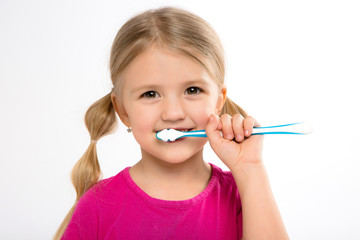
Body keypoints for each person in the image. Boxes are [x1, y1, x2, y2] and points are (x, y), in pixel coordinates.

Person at [54, 7, 289, 240]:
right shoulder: (98, 205)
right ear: (122, 110)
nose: (173, 113)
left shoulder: (244, 196)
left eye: (192, 90)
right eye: (150, 94)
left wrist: (250, 167)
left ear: (218, 102)